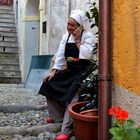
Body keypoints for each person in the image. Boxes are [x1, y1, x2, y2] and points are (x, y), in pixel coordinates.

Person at [38, 9, 96, 140]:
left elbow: (87, 56)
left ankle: (66, 130)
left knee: (73, 96)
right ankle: (57, 117)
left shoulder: (88, 36)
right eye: (68, 24)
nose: (69, 27)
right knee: (49, 83)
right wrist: (53, 71)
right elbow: (60, 55)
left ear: (80, 26)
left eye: (72, 25)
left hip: (83, 72)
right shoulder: (66, 36)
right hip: (70, 71)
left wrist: (77, 41)